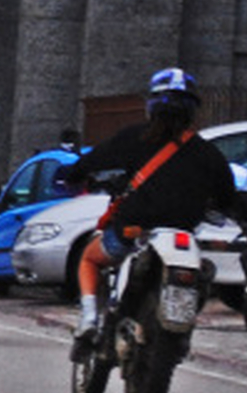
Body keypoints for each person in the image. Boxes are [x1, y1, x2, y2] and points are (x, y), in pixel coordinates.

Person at [64, 68, 236, 357]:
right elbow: (227, 198)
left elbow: (90, 162)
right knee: (198, 277)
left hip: (133, 232)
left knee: (90, 259)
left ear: (152, 106)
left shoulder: (133, 138)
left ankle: (89, 319)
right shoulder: (209, 154)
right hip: (181, 237)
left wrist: (71, 174)